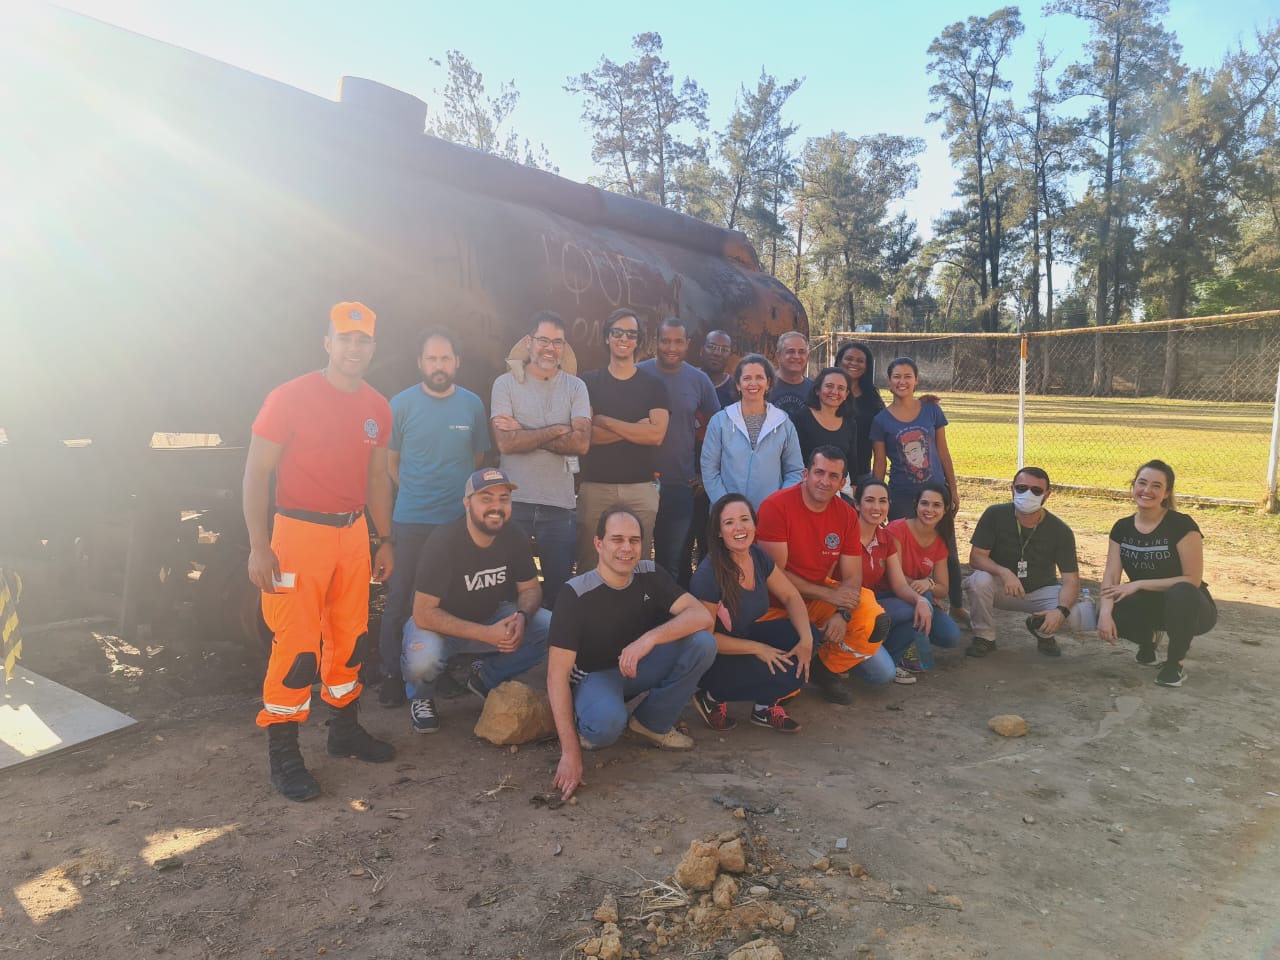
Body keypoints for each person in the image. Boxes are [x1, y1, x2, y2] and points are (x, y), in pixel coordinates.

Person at [243, 301, 396, 802]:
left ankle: (344, 730)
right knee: (297, 647)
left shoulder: (377, 406)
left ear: (373, 347)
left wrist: (384, 537)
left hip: (352, 533)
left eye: (364, 340)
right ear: (327, 342)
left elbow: (376, 477)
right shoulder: (289, 398)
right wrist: (258, 544)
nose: (355, 348)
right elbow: (256, 472)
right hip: (297, 534)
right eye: (345, 339)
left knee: (349, 637)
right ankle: (284, 754)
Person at [547, 508, 717, 800]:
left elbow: (701, 615)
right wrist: (570, 753)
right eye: (617, 539)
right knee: (606, 728)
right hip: (595, 675)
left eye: (634, 540)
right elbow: (555, 676)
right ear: (599, 544)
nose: (627, 548)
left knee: (702, 643)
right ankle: (587, 722)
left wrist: (649, 639)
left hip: (636, 665)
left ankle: (652, 723)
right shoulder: (575, 594)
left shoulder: (649, 573)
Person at [376, 328, 490, 707]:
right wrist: (415, 490)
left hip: (456, 524)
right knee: (401, 599)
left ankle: (438, 674)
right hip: (411, 520)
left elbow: (477, 460)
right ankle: (391, 675)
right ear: (420, 363)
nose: (438, 366)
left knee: (449, 601)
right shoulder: (401, 405)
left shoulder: (472, 404)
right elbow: (391, 464)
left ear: (456, 362)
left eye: (445, 358)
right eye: (431, 359)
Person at [402, 468, 550, 732]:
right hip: (439, 626)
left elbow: (530, 589)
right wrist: (486, 634)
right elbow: (423, 613)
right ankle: (421, 698)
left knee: (550, 626)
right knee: (422, 656)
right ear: (467, 502)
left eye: (504, 499)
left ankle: (485, 677)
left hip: (491, 617)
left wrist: (522, 616)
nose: (496, 507)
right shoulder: (444, 541)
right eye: (486, 498)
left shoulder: (513, 535)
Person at [755, 446, 892, 705]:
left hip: (818, 597)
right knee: (783, 692)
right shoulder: (776, 506)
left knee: (873, 617)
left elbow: (852, 577)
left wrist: (842, 613)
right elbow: (775, 576)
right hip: (772, 604)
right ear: (805, 474)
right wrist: (830, 595)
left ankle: (826, 669)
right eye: (819, 472)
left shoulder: (846, 515)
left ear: (842, 483)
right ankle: (793, 667)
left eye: (833, 476)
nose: (824, 481)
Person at [688, 494, 817, 733]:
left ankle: (763, 709)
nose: (739, 527)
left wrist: (806, 640)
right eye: (729, 522)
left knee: (807, 635)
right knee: (786, 675)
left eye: (744, 519)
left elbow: (791, 596)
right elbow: (705, 639)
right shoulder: (710, 574)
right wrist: (759, 649)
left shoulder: (757, 556)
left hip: (745, 635)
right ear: (718, 532)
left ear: (754, 525)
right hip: (714, 658)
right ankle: (711, 698)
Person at [490, 310, 592, 609]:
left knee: (558, 592)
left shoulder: (576, 387)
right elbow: (505, 443)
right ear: (528, 342)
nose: (550, 348)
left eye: (558, 342)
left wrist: (525, 430)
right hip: (515, 502)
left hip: (559, 506)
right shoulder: (505, 384)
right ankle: (510, 652)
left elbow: (582, 442)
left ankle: (552, 654)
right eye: (544, 340)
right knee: (509, 589)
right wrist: (558, 431)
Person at [1098, 460, 1217, 688]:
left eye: (1156, 486)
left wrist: (1138, 583)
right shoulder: (1121, 527)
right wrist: (1104, 613)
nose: (1147, 491)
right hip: (1150, 604)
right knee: (1110, 605)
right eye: (1142, 483)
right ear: (1133, 486)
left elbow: (1192, 579)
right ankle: (1148, 641)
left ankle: (1175, 664)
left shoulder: (1182, 525)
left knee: (1181, 592)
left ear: (1166, 492)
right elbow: (1111, 574)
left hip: (1191, 607)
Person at [871, 357, 965, 619]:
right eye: (897, 377)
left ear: (916, 380)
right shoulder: (881, 420)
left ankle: (956, 605)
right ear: (889, 382)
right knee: (899, 553)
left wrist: (952, 489)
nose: (902, 381)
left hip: (935, 492)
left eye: (907, 376)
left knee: (947, 549)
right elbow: (879, 463)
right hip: (902, 494)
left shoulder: (931, 411)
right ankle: (910, 604)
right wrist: (878, 499)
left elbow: (943, 452)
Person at [576, 309, 670, 573]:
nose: (624, 339)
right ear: (607, 337)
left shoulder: (653, 385)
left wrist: (605, 421)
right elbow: (586, 435)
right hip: (595, 487)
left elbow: (656, 435)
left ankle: (636, 613)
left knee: (638, 565)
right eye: (617, 332)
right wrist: (636, 428)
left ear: (638, 340)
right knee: (589, 561)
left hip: (641, 488)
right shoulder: (588, 382)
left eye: (631, 334)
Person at [964, 467, 1088, 658]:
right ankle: (984, 637)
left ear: (1047, 495)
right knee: (977, 581)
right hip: (1002, 587)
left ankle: (1041, 628)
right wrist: (1004, 573)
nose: (1027, 494)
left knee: (1078, 610)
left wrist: (1061, 611)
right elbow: (976, 557)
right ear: (1012, 489)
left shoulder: (1060, 530)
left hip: (1040, 591)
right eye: (1021, 488)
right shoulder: (995, 514)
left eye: (1036, 491)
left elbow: (1071, 581)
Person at [638, 317, 721, 583]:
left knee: (674, 562)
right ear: (656, 342)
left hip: (679, 485)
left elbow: (718, 429)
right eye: (665, 341)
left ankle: (675, 620)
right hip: (636, 482)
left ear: (687, 344)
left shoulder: (699, 380)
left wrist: (705, 472)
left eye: (677, 342)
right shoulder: (638, 374)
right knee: (634, 559)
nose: (671, 347)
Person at [849, 478, 930, 685]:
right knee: (881, 676)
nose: (877, 507)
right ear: (857, 504)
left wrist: (920, 601)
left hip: (873, 610)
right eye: (869, 500)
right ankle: (843, 662)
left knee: (919, 606)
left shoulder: (885, 539)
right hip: (847, 612)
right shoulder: (844, 535)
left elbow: (900, 585)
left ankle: (890, 657)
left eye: (883, 501)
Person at [701, 354, 803, 510]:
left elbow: (795, 471)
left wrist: (777, 504)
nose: (753, 383)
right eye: (747, 378)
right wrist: (725, 504)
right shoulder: (720, 421)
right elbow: (709, 469)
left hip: (771, 514)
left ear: (768, 383)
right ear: (738, 384)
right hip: (727, 514)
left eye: (759, 377)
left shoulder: (784, 423)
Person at [884, 483, 963, 670]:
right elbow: (894, 576)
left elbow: (943, 589)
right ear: (916, 505)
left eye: (936, 505)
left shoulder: (940, 540)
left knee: (951, 636)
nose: (929, 510)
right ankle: (916, 654)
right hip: (890, 593)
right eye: (924, 503)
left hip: (919, 597)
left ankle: (909, 638)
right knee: (924, 594)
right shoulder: (897, 530)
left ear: (945, 510)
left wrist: (928, 583)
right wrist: (925, 588)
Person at [835, 342, 886, 480]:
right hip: (829, 473)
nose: (854, 363)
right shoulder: (827, 394)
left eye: (860, 361)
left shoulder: (872, 398)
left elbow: (891, 420)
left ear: (867, 366)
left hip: (862, 474)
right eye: (849, 359)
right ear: (839, 361)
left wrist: (919, 403)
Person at [790, 366, 858, 469]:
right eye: (829, 386)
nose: (834, 392)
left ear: (846, 394)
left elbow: (852, 461)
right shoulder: (801, 418)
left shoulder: (849, 422)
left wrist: (853, 484)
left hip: (841, 483)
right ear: (817, 390)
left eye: (841, 388)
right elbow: (791, 459)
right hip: (805, 481)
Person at [768, 331, 812, 418]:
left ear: (807, 357)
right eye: (790, 351)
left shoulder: (814, 390)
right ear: (778, 356)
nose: (796, 356)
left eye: (801, 352)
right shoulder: (765, 386)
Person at [700, 329, 737, 408]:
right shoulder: (687, 379)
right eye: (711, 347)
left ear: (730, 356)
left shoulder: (736, 389)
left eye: (724, 349)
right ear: (701, 350)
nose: (717, 353)